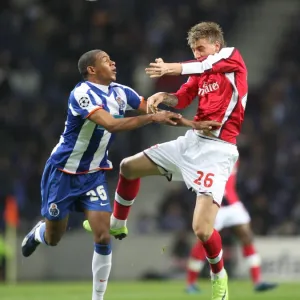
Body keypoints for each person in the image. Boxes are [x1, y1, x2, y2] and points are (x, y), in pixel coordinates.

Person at [21, 49, 217, 300]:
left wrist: (193, 123)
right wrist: (152, 118)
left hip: (93, 174)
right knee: (54, 237)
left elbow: (154, 109)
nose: (113, 62)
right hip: (63, 172)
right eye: (105, 60)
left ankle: (98, 298)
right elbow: (112, 124)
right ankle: (39, 233)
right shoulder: (81, 94)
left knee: (103, 235)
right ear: (91, 70)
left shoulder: (122, 92)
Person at [84, 22, 248, 300]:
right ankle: (117, 222)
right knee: (128, 167)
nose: (197, 54)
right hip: (192, 141)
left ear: (216, 46)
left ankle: (218, 274)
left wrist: (169, 68)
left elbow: (201, 67)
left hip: (218, 151)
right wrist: (165, 96)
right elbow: (184, 97)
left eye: (201, 48)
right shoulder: (201, 71)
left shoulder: (232, 59)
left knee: (203, 230)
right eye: (193, 50)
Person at [186, 162, 278, 294]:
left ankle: (258, 281)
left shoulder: (232, 153)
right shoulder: (206, 154)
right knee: (204, 242)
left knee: (247, 236)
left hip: (232, 204)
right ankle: (191, 283)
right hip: (214, 205)